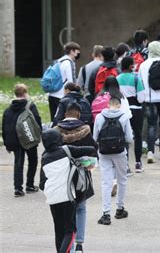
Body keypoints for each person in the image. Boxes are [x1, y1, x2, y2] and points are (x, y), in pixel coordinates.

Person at [39, 129, 95, 253]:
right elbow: (91, 148)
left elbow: (42, 184)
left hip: (52, 198)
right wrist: (80, 162)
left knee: (59, 231)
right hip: (67, 196)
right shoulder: (66, 150)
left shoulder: (44, 157)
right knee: (70, 230)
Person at [54, 103, 97, 253]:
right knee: (81, 209)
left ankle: (69, 246)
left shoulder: (55, 131)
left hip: (62, 177)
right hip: (80, 177)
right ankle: (79, 243)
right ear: (78, 115)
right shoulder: (85, 131)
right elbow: (93, 154)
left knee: (66, 213)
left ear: (65, 114)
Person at [93, 97, 134, 226]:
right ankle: (120, 208)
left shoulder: (99, 117)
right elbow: (129, 138)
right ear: (120, 105)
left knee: (106, 182)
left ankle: (106, 214)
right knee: (122, 180)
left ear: (108, 104)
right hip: (120, 152)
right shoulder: (124, 117)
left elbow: (95, 137)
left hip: (104, 152)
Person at [2, 83, 42, 197]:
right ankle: (30, 185)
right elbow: (37, 121)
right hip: (29, 139)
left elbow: (4, 127)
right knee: (33, 160)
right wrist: (39, 136)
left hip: (15, 140)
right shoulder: (30, 106)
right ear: (25, 94)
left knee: (18, 163)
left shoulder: (8, 109)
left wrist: (7, 143)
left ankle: (18, 188)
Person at [138, 41, 160, 163]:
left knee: (151, 124)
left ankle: (150, 151)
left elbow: (140, 81)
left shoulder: (143, 65)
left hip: (149, 99)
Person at [117, 56, 146, 173]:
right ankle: (138, 163)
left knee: (125, 137)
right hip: (136, 110)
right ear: (130, 66)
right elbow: (141, 98)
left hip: (122, 110)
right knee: (138, 136)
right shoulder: (136, 78)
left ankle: (126, 165)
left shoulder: (117, 78)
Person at [47, 42, 81, 121]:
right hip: (62, 96)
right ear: (72, 51)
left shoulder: (58, 61)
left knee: (54, 120)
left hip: (52, 94)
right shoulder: (69, 63)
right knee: (64, 120)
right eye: (77, 52)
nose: (78, 54)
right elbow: (71, 81)